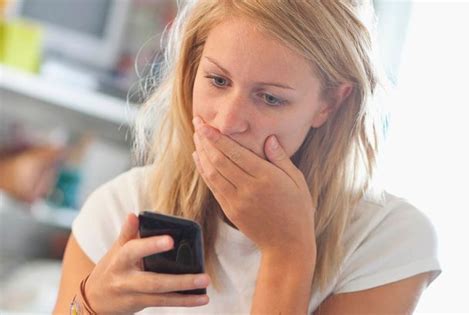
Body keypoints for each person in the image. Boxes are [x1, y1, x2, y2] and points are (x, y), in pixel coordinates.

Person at [54, 1, 441, 314]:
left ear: (330, 103)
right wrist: (89, 307)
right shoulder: (119, 208)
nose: (226, 123)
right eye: (218, 81)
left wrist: (288, 253)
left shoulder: (389, 241)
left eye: (270, 97)